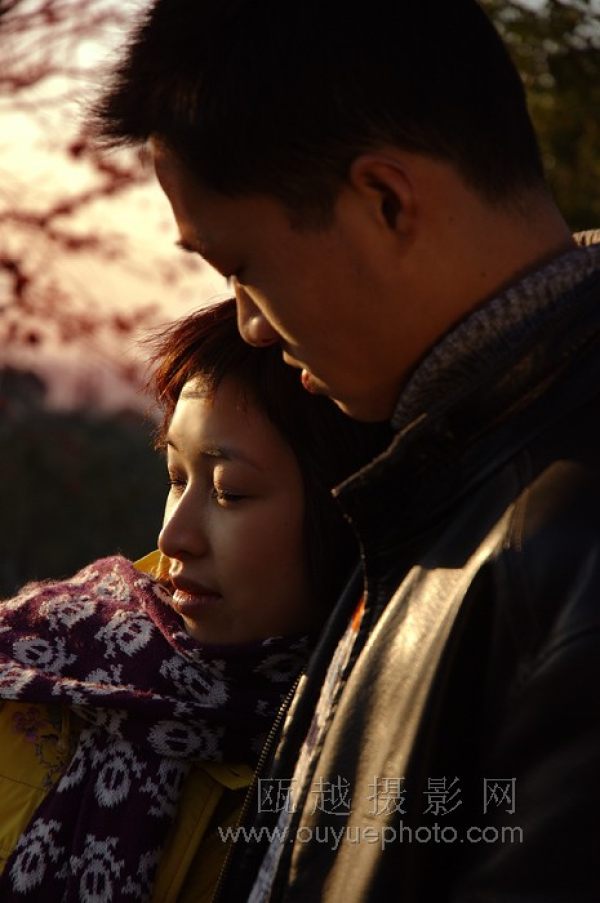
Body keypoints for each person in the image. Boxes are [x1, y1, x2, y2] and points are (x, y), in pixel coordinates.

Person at [93, 1, 600, 900]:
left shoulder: (560, 545)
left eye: (243, 267)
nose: (249, 325)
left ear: (386, 202)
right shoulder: (437, 478)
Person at [0, 298, 389, 902]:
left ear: (348, 509)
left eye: (229, 491)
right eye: (175, 477)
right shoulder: (38, 663)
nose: (173, 536)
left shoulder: (378, 765)